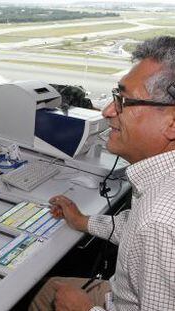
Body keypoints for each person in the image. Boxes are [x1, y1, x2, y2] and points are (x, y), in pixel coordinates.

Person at [29, 36, 175, 311]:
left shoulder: (159, 221)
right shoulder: (160, 189)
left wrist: (84, 309)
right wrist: (83, 221)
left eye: (122, 101)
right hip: (127, 293)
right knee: (48, 289)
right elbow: (137, 231)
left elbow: (150, 229)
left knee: (47, 294)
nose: (108, 111)